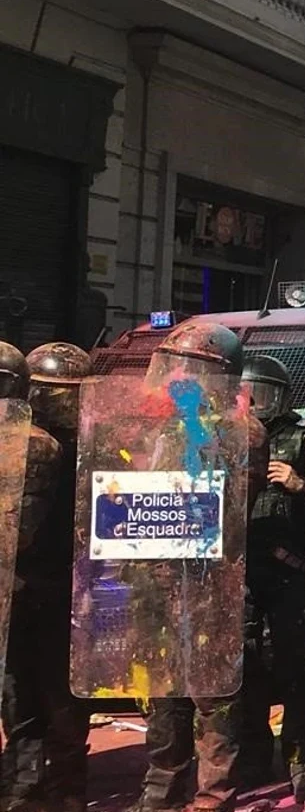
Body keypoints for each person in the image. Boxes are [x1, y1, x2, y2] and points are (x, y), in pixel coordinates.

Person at [137, 321, 255, 812]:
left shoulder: (238, 432)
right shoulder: (154, 429)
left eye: (193, 371)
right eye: (177, 367)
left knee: (211, 695)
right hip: (160, 576)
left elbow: (234, 510)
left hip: (212, 579)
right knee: (164, 695)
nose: (180, 378)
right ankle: (161, 789)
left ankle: (213, 795)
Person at [2, 342, 92, 812]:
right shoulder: (22, 444)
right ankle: (23, 784)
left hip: (71, 590)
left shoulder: (98, 448)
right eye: (51, 394)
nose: (61, 405)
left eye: (69, 396)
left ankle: (66, 788)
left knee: (63, 700)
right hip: (22, 587)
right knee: (19, 696)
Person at [233, 354, 305, 798]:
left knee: (294, 664)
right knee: (245, 666)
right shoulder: (225, 436)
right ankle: (252, 756)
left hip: (290, 569)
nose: (255, 404)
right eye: (248, 394)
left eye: (262, 394)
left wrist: (300, 484)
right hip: (241, 570)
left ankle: (301, 757)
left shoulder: (304, 440)